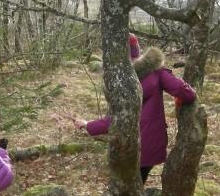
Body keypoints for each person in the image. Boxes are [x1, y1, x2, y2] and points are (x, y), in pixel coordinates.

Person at [74, 34, 196, 184]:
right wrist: (181, 97)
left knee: (129, 190)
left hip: (131, 147)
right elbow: (187, 93)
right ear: (137, 51)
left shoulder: (123, 83)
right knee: (136, 185)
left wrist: (88, 125)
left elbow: (118, 121)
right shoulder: (157, 71)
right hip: (153, 142)